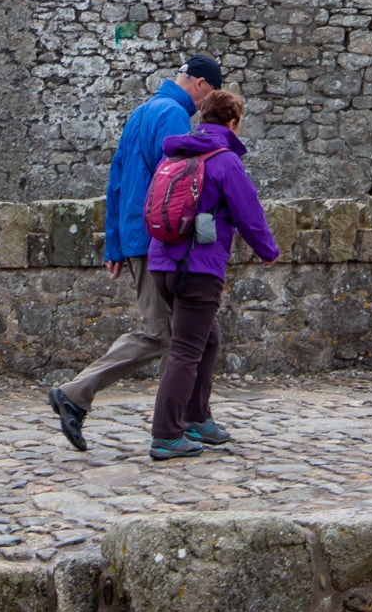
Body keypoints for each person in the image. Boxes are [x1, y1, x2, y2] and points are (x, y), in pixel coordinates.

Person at [48, 51, 224, 450]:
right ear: (199, 83)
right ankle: (75, 394)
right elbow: (176, 184)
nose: (203, 106)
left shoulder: (142, 111)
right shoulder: (175, 116)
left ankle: (194, 417)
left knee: (203, 333)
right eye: (207, 93)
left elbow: (116, 180)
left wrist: (114, 243)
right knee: (160, 334)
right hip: (158, 241)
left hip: (134, 236)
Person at [146, 88, 278, 461]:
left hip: (162, 263)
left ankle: (197, 415)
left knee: (208, 339)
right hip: (198, 269)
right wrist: (268, 251)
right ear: (233, 123)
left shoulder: (174, 153)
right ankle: (167, 434)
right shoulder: (225, 161)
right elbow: (248, 212)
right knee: (186, 350)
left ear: (202, 118)